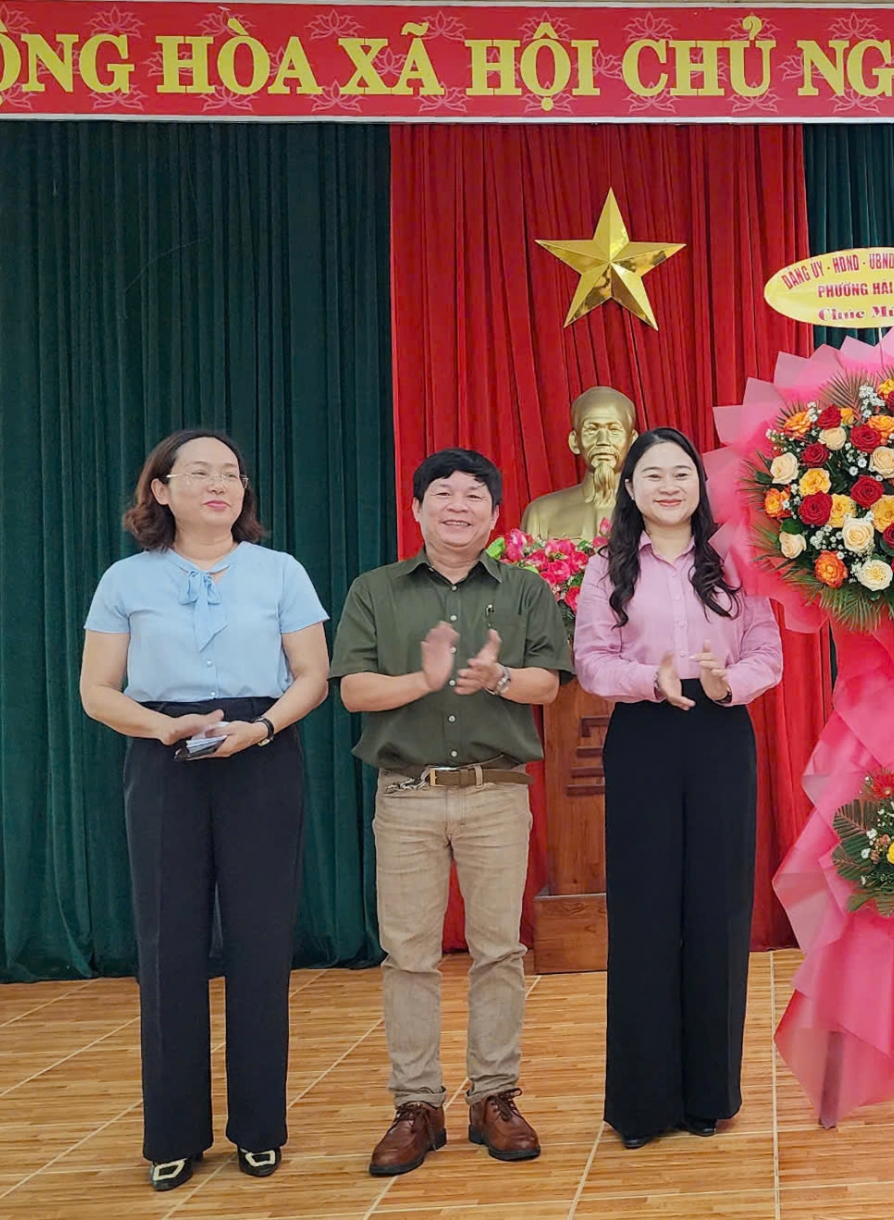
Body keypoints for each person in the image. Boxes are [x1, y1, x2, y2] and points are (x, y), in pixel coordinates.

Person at [78, 429, 330, 1191]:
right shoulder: (125, 579)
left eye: (231, 474)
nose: (219, 484)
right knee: (169, 946)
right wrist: (160, 729)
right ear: (160, 489)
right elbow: (97, 691)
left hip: (262, 748)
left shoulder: (280, 571)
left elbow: (312, 674)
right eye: (199, 473)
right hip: (163, 754)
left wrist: (261, 728)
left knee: (261, 942)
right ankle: (173, 1135)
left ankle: (260, 1129)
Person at [332, 448, 569, 1176]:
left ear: (494, 515)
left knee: (499, 949)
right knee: (409, 955)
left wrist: (498, 676)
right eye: (443, 493)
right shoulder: (375, 590)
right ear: (417, 509)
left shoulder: (526, 589)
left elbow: (547, 685)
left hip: (496, 792)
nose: (457, 506)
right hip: (406, 793)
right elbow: (353, 691)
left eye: (473, 495)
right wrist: (423, 679)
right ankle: (417, 1107)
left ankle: (494, 1097)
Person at [573, 427, 784, 1150]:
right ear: (630, 489)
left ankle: (708, 1096)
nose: (669, 486)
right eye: (654, 475)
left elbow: (767, 651)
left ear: (700, 485)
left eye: (682, 473)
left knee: (719, 911)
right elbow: (591, 661)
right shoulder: (607, 568)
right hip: (645, 735)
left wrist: (729, 683)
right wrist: (648, 680)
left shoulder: (735, 563)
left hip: (721, 733)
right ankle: (643, 1101)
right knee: (645, 913)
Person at [521, 386, 638, 541]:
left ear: (632, 440)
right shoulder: (541, 514)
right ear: (575, 441)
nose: (603, 441)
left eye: (614, 430)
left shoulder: (651, 511)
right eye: (591, 430)